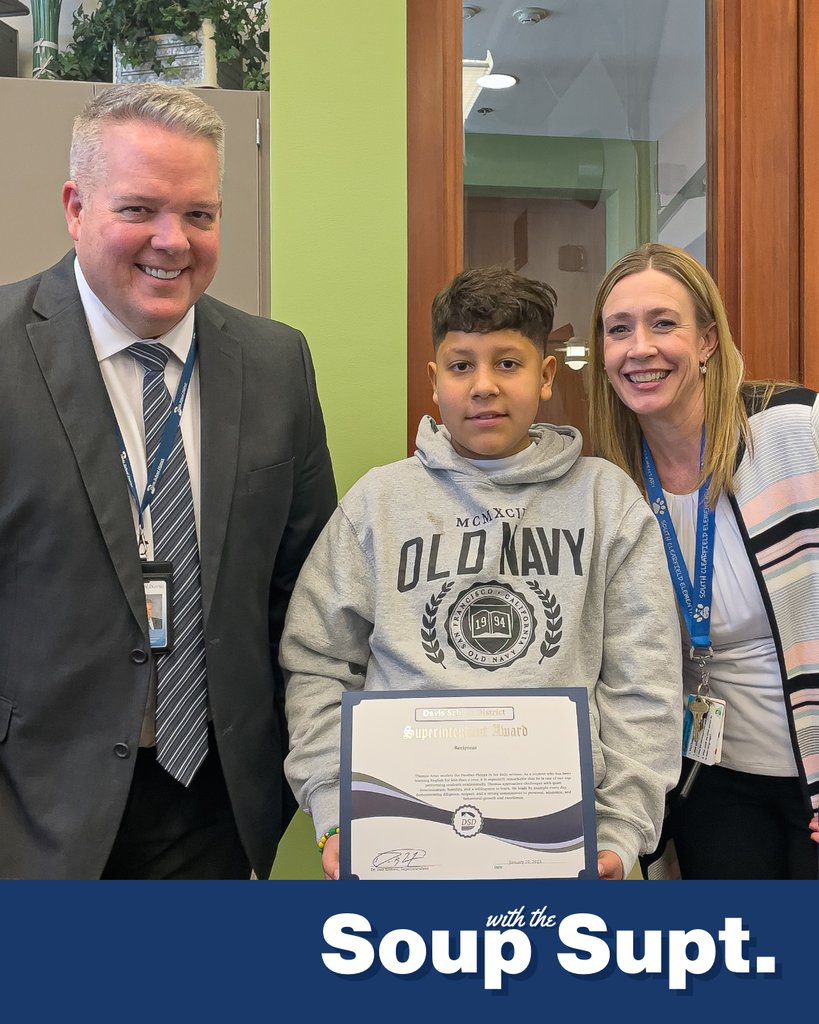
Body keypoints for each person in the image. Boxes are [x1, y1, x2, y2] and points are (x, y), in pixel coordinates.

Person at [0, 84, 336, 879]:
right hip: (31, 808)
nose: (172, 241)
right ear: (76, 206)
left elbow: (309, 591)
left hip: (214, 803)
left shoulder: (275, 362)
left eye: (199, 214)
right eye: (139, 209)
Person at [281, 265, 682, 881]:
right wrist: (335, 805)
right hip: (402, 843)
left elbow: (643, 681)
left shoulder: (608, 504)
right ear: (434, 380)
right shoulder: (377, 505)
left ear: (546, 376)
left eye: (508, 363)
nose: (484, 386)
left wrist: (622, 824)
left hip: (562, 844)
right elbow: (318, 660)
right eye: (462, 365)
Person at [588, 242, 819, 879]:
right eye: (618, 330)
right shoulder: (611, 484)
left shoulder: (797, 430)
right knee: (738, 964)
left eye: (664, 323)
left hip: (812, 772)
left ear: (708, 340)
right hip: (706, 780)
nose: (639, 348)